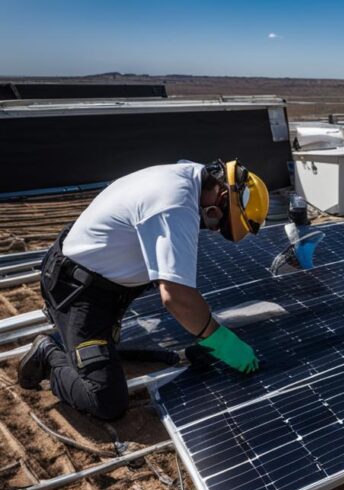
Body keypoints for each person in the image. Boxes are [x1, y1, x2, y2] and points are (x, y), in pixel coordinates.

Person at [17, 160, 269, 420]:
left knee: (113, 344)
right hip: (77, 289)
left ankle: (87, 343)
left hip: (106, 278)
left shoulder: (188, 177)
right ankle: (50, 355)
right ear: (222, 198)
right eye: (220, 224)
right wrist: (220, 340)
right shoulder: (173, 205)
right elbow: (176, 296)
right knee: (105, 399)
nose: (213, 228)